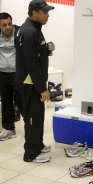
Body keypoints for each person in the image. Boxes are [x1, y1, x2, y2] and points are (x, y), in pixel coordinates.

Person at [15, 0, 55, 163]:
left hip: (33, 83)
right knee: (32, 117)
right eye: (44, 12)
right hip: (30, 83)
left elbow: (34, 53)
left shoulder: (34, 29)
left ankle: (37, 144)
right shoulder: (29, 31)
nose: (48, 15)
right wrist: (42, 88)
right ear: (34, 13)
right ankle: (31, 153)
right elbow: (31, 64)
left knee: (37, 116)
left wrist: (46, 49)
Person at [0, 12, 20, 140]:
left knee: (21, 100)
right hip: (2, 73)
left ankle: (30, 126)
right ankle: (9, 128)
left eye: (9, 24)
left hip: (18, 73)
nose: (7, 27)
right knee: (6, 101)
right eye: (4, 25)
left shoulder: (19, 33)